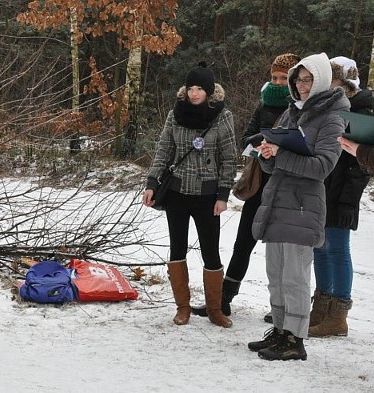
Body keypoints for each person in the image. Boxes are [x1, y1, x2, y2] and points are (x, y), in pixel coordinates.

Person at [246, 53, 349, 361]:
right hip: (278, 202)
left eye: (307, 80)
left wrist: (281, 155)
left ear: (320, 80)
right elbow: (274, 164)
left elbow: (322, 167)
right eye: (297, 80)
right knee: (275, 274)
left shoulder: (332, 116)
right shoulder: (293, 112)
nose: (301, 86)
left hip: (303, 207)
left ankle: (295, 339)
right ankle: (279, 331)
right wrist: (266, 155)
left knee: (295, 277)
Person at [191, 53, 301, 319]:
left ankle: (286, 307)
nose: (277, 82)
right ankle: (224, 300)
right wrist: (264, 142)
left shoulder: (300, 108)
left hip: (287, 185)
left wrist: (272, 142)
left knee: (284, 249)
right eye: (273, 77)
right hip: (258, 181)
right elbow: (245, 140)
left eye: (283, 78)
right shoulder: (263, 104)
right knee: (243, 242)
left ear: (294, 80)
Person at [143, 62, 237, 328]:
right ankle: (182, 307)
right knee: (177, 248)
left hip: (207, 194)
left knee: (211, 251)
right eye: (190, 88)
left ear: (209, 91)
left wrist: (223, 194)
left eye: (200, 89)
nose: (194, 94)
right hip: (177, 192)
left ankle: (215, 309)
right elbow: (164, 150)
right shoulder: (176, 114)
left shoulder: (223, 116)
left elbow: (229, 158)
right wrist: (151, 182)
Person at [308, 57, 372, 338]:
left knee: (337, 249)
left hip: (343, 194)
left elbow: (362, 164)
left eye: (332, 81)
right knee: (319, 247)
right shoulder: (328, 107)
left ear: (344, 82)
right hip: (322, 188)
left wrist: (348, 201)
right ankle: (321, 306)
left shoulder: (362, 112)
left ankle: (338, 315)